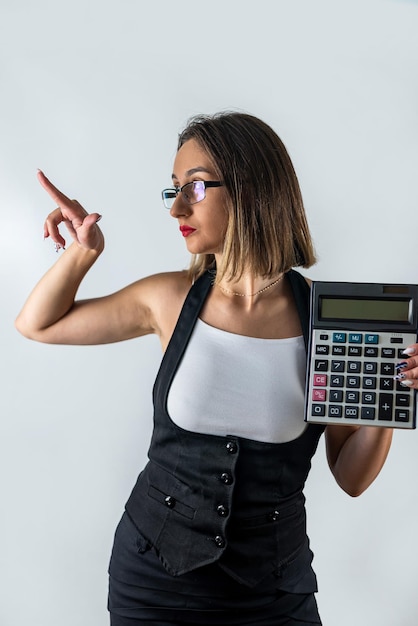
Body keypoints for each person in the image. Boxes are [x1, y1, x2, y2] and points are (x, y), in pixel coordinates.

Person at [15, 112, 418, 626]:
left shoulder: (329, 320)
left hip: (275, 591)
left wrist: (390, 396)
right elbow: (38, 325)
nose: (177, 206)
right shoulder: (167, 299)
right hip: (154, 583)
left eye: (197, 186)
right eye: (174, 188)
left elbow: (352, 478)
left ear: (252, 189)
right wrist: (81, 254)